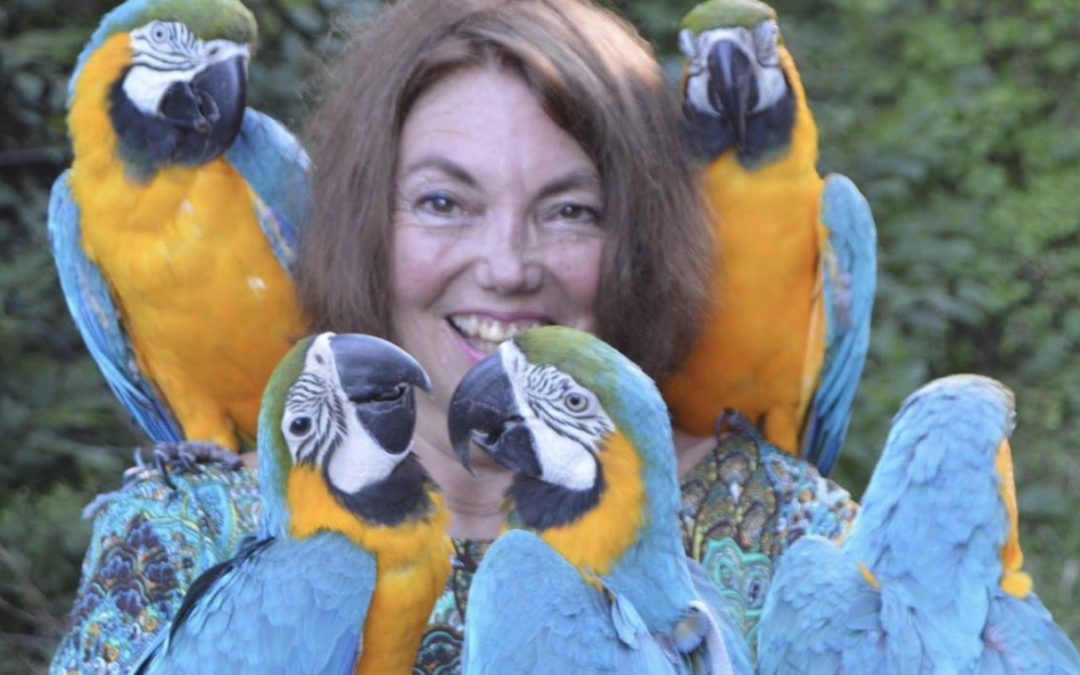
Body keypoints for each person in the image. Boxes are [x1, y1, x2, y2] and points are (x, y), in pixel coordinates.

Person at [50, 1, 857, 673]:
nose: (506, 267)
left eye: (572, 210)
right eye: (443, 202)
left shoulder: (791, 529)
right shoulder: (188, 530)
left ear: (640, 243)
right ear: (360, 225)